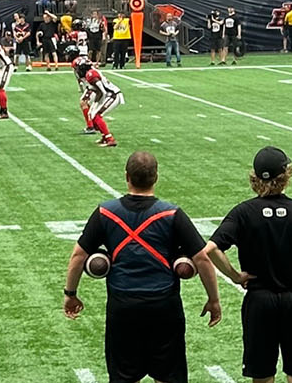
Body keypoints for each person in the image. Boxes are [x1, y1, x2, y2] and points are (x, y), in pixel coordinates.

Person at [63, 151, 222, 383]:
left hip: (123, 305)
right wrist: (213, 299)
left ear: (126, 176)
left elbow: (78, 255)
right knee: (169, 376)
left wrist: (71, 294)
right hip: (164, 305)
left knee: (124, 377)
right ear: (156, 177)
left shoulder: (105, 212)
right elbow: (203, 259)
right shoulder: (172, 213)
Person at [203, 146, 292, 383]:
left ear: (255, 178)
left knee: (262, 374)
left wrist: (235, 276)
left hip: (259, 302)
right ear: (286, 175)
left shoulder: (243, 212)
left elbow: (211, 249)